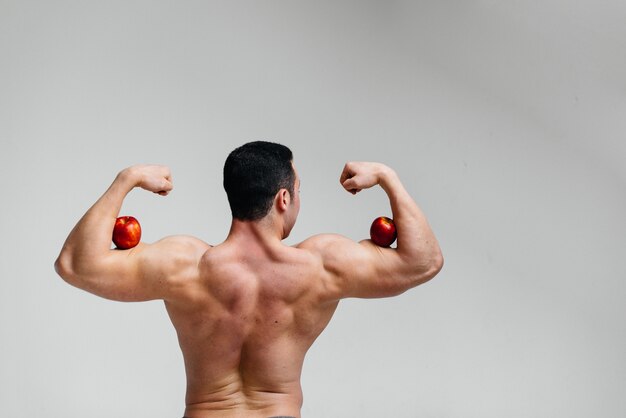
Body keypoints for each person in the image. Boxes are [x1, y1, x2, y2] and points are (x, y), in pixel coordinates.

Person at [54, 141, 443, 418]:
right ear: (283, 200)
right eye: (298, 192)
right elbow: (423, 261)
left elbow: (75, 264)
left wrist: (127, 179)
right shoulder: (321, 266)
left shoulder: (185, 265)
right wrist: (388, 178)